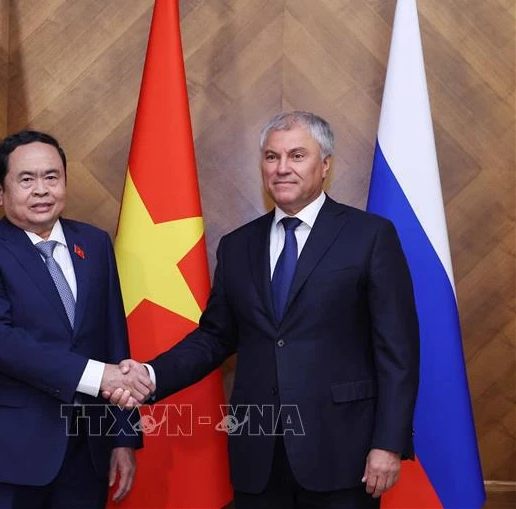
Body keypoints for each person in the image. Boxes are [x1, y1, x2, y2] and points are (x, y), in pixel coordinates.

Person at [106, 111, 420, 508]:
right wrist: (150, 375)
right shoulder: (238, 246)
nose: (282, 168)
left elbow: (398, 352)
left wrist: (388, 443)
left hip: (343, 453)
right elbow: (215, 337)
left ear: (325, 165)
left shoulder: (370, 236)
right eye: (272, 157)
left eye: (296, 156)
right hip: (258, 456)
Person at [0, 131, 154, 509]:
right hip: (13, 453)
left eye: (52, 177)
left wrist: (123, 437)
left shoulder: (94, 244)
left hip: (88, 452)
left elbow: (115, 338)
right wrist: (97, 375)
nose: (42, 190)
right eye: (26, 180)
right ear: (1, 191)